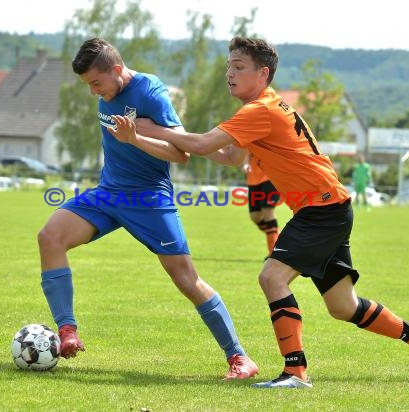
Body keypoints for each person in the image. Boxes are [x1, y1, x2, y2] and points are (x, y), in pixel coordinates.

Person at [108, 36, 409, 388]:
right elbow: (228, 157)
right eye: (229, 66)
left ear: (263, 73)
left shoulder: (261, 110)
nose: (229, 73)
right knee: (342, 306)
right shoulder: (261, 108)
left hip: (322, 210)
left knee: (271, 277)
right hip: (328, 207)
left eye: (239, 67)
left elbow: (202, 144)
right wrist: (166, 138)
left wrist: (153, 130)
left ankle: (296, 372)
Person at [37, 37, 258, 380]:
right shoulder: (105, 92)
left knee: (186, 279)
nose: (93, 92)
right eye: (87, 85)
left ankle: (240, 358)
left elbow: (180, 153)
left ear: (116, 70)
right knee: (50, 237)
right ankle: (67, 333)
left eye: (96, 83)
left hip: (149, 198)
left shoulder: (151, 91)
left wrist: (137, 139)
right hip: (109, 193)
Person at [242, 151, 280, 258]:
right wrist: (245, 163)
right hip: (253, 179)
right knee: (255, 216)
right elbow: (247, 150)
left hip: (270, 177)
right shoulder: (249, 135)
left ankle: (274, 252)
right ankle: (279, 237)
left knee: (268, 212)